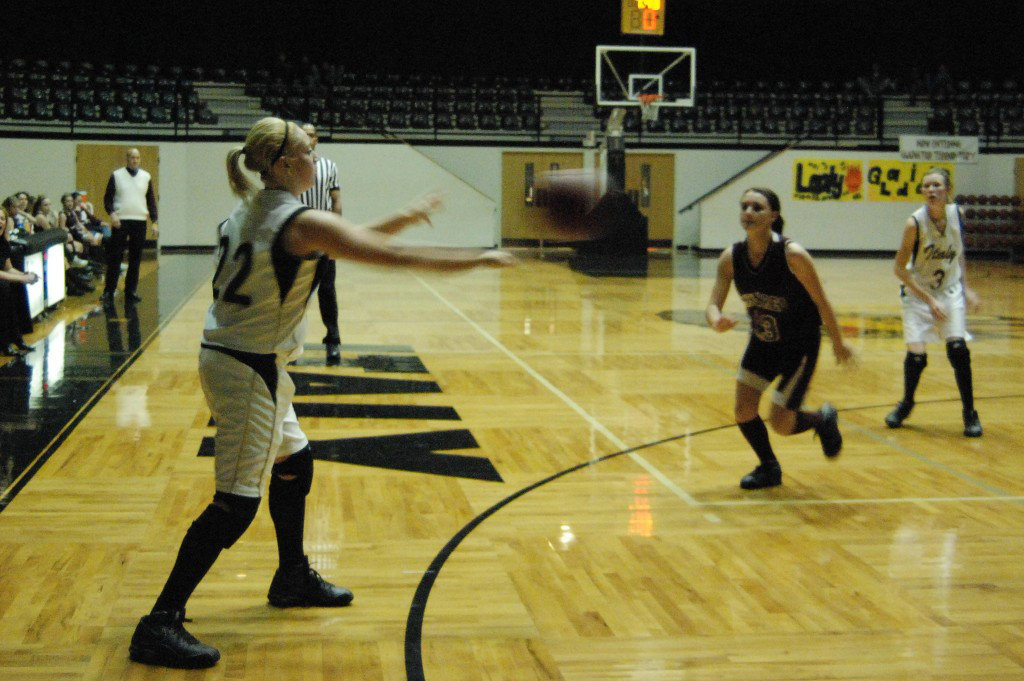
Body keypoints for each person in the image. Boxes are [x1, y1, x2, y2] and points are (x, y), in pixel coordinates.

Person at [128, 117, 514, 670]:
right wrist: (478, 258)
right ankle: (158, 622)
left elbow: (344, 240)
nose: (316, 159)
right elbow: (392, 259)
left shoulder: (256, 209)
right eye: (309, 152)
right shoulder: (297, 219)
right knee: (235, 503)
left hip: (243, 359)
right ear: (285, 165)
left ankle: (290, 578)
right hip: (246, 369)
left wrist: (402, 217)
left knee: (297, 462)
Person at [706, 187, 854, 490]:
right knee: (743, 411)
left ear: (773, 216)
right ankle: (769, 468)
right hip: (762, 342)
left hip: (799, 345)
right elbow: (712, 303)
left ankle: (822, 420)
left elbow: (822, 302)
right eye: (744, 206)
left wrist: (839, 344)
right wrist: (715, 320)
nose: (748, 212)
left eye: (757, 207)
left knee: (781, 424)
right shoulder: (730, 258)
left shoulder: (793, 256)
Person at [884, 167, 982, 437]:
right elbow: (899, 270)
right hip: (918, 292)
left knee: (959, 351)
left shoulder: (958, 216)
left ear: (947, 189)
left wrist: (966, 287)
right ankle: (905, 404)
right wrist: (928, 299)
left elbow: (958, 255)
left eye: (936, 185)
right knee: (917, 357)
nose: (930, 190)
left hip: (949, 291)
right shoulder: (914, 224)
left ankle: (970, 413)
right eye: (926, 186)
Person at [298, 122, 343, 365]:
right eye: (303, 134)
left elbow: (336, 202)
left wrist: (336, 238)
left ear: (317, 140)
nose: (308, 138)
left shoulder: (329, 166)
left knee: (327, 290)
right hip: (298, 235)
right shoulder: (290, 166)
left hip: (323, 235)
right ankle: (289, 341)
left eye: (312, 135)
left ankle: (333, 340)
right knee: (296, 293)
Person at [102, 148, 158, 303]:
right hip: (121, 220)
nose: (135, 160)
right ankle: (109, 290)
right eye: (132, 157)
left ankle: (131, 291)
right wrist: (112, 214)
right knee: (115, 256)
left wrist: (154, 221)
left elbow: (151, 201)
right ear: (127, 159)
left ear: (140, 159)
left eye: (137, 158)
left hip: (139, 220)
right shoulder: (117, 175)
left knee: (136, 257)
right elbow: (107, 199)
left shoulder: (146, 176)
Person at [0, 205, 39, 356]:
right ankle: (4, 342)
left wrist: (25, 275)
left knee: (17, 287)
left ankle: (17, 337)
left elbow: (8, 268)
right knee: (4, 287)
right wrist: (22, 278)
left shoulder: (3, 242)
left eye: (2, 218)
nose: (0, 222)